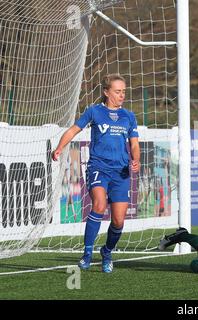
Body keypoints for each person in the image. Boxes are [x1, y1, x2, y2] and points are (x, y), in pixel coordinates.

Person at [52, 74, 140, 273]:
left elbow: (134, 144)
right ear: (106, 92)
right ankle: (87, 253)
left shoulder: (129, 116)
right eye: (118, 91)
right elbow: (73, 130)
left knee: (118, 220)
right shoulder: (95, 112)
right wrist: (59, 148)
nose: (122, 95)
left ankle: (107, 252)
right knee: (99, 205)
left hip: (121, 172)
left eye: (124, 91)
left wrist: (136, 160)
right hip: (98, 167)